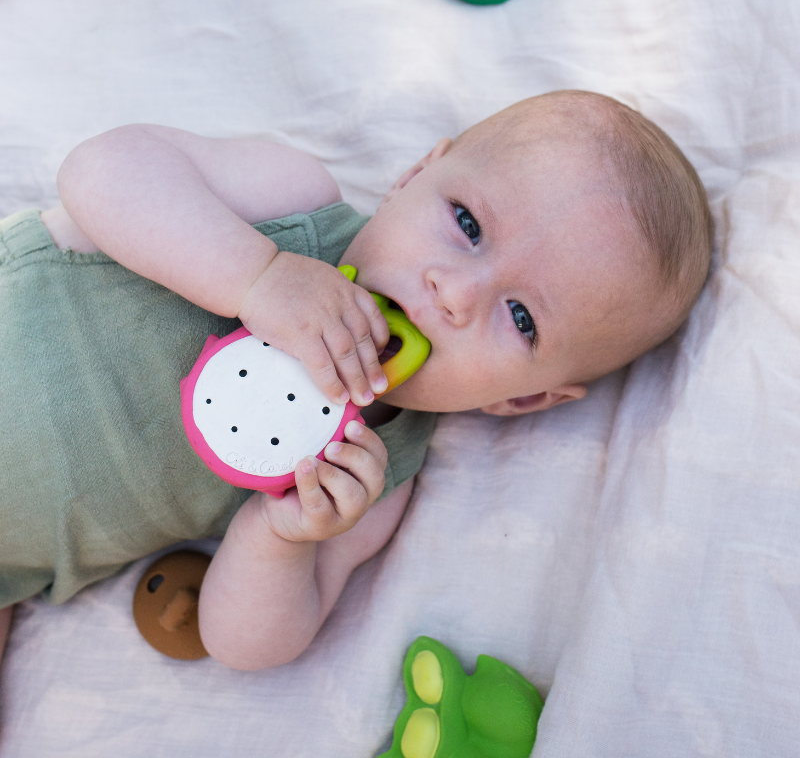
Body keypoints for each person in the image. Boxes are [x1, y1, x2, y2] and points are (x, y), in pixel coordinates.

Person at [0, 90, 713, 672]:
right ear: (412, 177)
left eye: (521, 317)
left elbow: (245, 645)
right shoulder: (292, 206)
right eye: (466, 223)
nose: (455, 291)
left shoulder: (371, 478)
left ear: (520, 399)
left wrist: (281, 536)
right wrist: (257, 275)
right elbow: (101, 171)